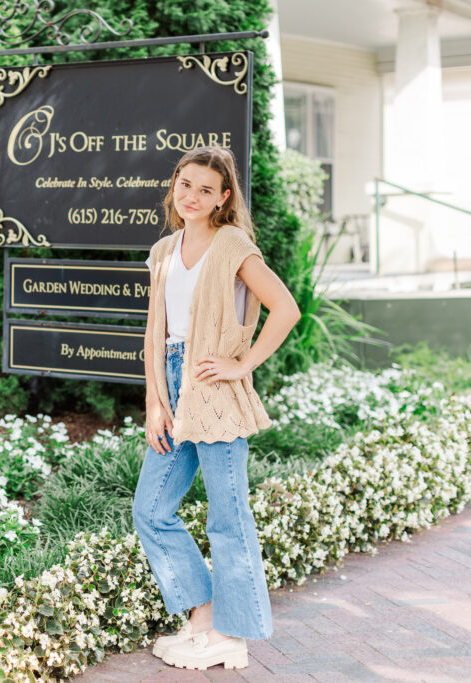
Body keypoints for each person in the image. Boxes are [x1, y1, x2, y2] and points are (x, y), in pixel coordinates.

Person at [132, 146, 301, 671]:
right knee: (151, 510)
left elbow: (286, 308)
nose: (192, 196)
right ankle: (204, 618)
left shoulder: (231, 244)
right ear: (174, 186)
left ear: (224, 197)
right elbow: (154, 334)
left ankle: (233, 634)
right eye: (185, 185)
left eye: (206, 189)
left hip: (212, 388)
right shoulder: (163, 250)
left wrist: (241, 364)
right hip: (174, 388)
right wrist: (154, 402)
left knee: (227, 515)